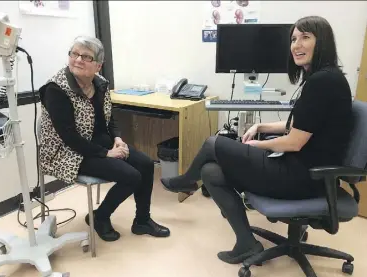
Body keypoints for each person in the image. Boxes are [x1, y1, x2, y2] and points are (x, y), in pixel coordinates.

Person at [161, 15, 353, 264]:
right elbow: (301, 125)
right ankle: (246, 243)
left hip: (302, 177)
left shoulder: (322, 82)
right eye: (294, 39)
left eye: (305, 37)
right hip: (303, 171)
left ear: (322, 42)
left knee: (214, 143)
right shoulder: (324, 78)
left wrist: (256, 145)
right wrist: (262, 125)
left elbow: (294, 141)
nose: (296, 45)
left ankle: (186, 181)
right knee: (210, 171)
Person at [39, 36, 170, 242]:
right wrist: (107, 154)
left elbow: (109, 118)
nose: (78, 59)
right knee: (132, 176)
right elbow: (69, 137)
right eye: (74, 54)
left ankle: (142, 221)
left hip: (98, 143)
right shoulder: (56, 89)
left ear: (98, 65)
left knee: (145, 164)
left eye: (86, 56)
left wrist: (117, 139)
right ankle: (99, 217)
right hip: (69, 152)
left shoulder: (99, 84)